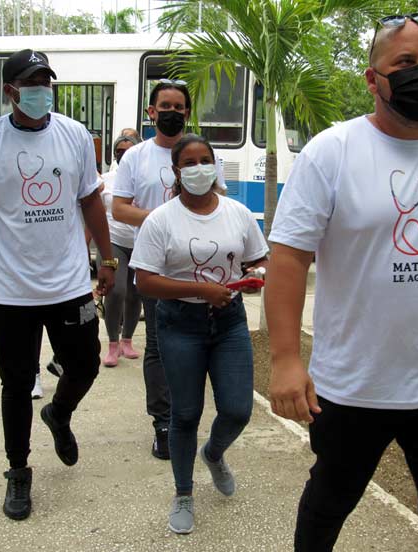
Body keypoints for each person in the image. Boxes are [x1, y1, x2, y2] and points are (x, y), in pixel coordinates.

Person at [265, 14, 418, 552]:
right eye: (405, 63)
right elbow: (288, 259)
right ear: (372, 78)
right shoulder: (331, 153)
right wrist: (286, 359)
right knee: (328, 505)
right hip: (351, 386)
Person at [0, 49, 116, 521]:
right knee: (17, 383)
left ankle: (59, 413)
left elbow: (90, 201)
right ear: (10, 91)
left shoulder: (75, 135)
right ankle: (19, 471)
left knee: (84, 364)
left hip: (69, 284)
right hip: (10, 291)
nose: (41, 89)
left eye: (46, 80)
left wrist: (106, 257)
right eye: (31, 81)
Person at [130, 134, 268, 534]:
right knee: (185, 415)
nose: (198, 168)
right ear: (176, 171)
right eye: (188, 163)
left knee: (238, 409)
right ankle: (183, 492)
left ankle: (214, 453)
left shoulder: (238, 213)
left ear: (215, 165)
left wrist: (256, 276)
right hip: (179, 324)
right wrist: (200, 290)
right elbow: (145, 282)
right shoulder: (161, 219)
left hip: (229, 323)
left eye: (205, 160)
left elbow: (258, 260)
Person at [112, 80, 225, 460]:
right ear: (151, 112)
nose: (172, 112)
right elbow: (120, 209)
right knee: (159, 345)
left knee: (195, 341)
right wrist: (164, 220)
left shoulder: (202, 154)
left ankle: (187, 416)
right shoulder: (136, 157)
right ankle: (162, 421)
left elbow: (219, 200)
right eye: (165, 106)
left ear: (188, 113)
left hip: (199, 266)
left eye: (179, 106)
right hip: (154, 266)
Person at [98, 133, 144, 366]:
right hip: (113, 242)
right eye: (119, 150)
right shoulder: (106, 179)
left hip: (140, 244)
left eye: (128, 150)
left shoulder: (144, 177)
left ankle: (127, 340)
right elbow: (93, 215)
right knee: (116, 292)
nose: (123, 154)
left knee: (135, 293)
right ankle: (113, 344)